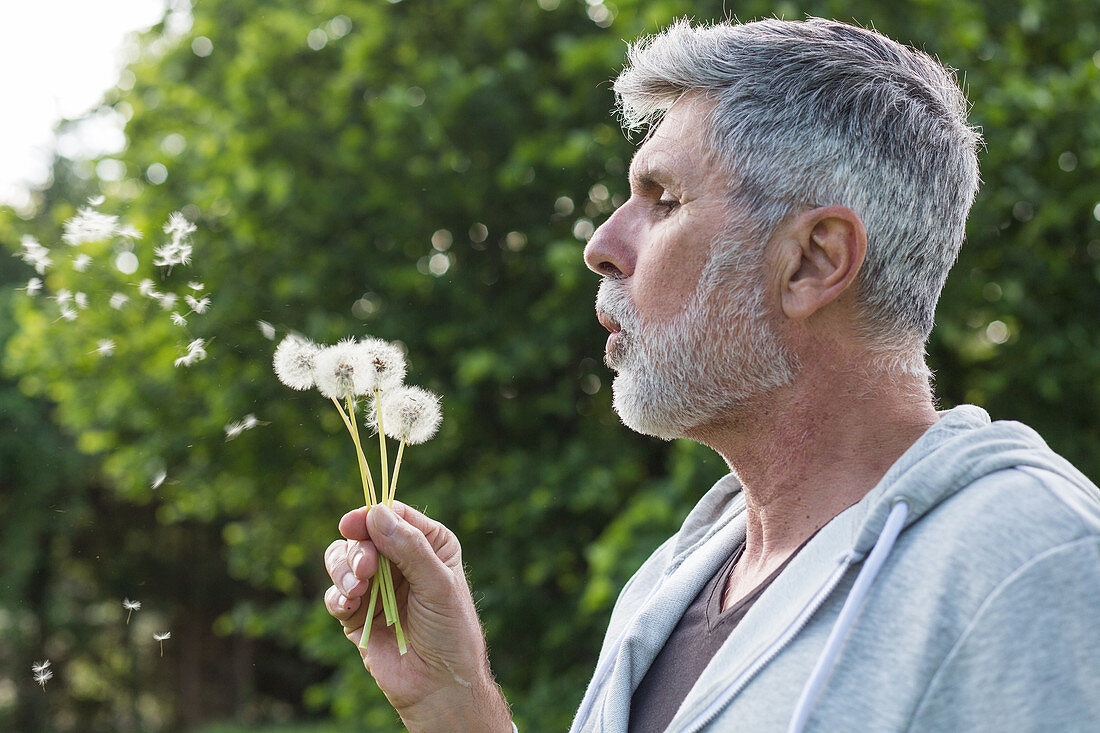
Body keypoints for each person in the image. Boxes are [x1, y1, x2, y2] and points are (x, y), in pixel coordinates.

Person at [323, 17, 1100, 732]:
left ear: (813, 261)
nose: (601, 244)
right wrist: (458, 702)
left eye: (661, 199)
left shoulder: (1037, 562)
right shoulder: (672, 582)